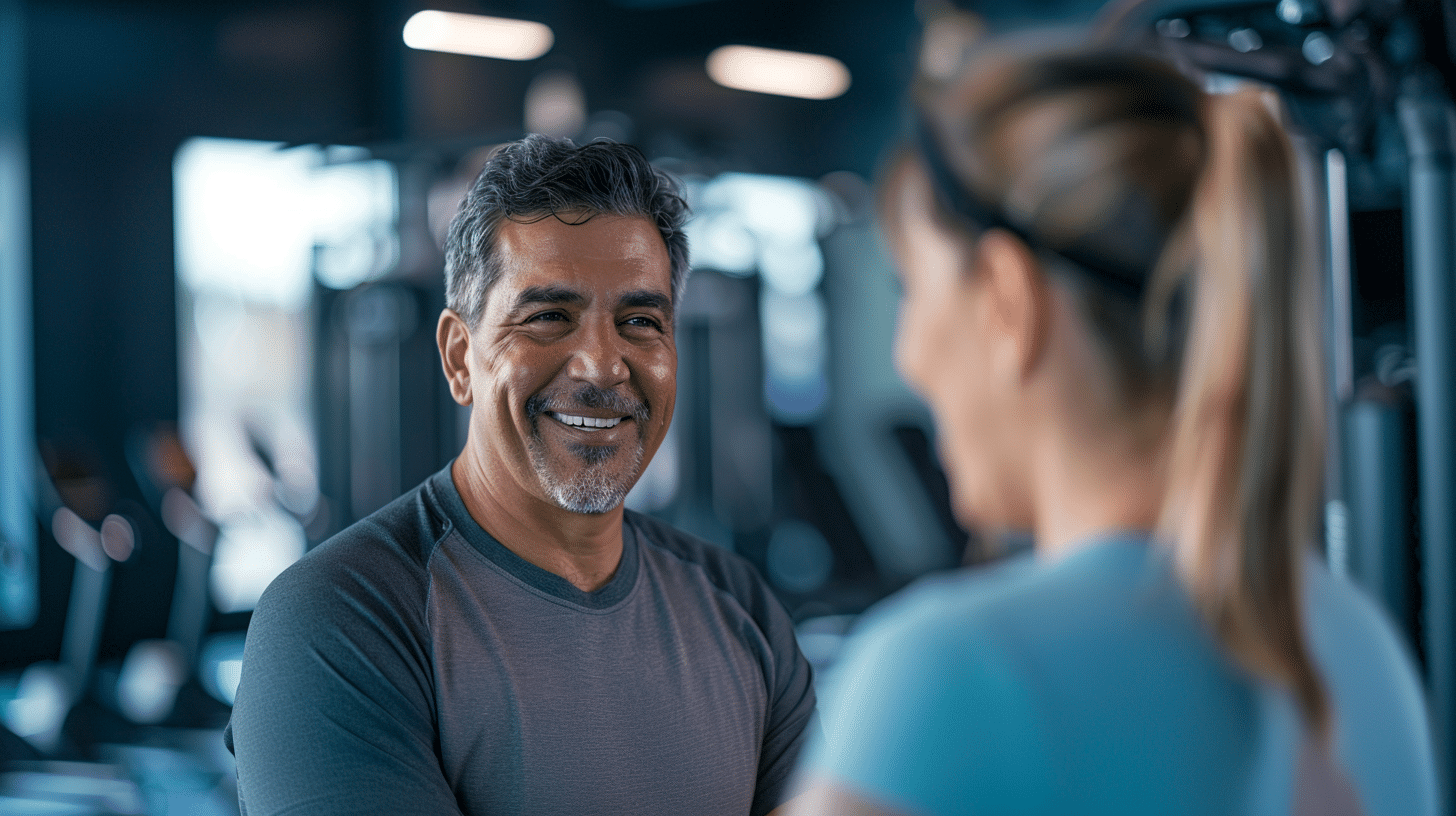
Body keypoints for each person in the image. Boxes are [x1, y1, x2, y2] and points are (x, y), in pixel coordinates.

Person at [788, 39, 1437, 816]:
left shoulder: (951, 674)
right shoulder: (1361, 656)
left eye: (915, 290)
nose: (910, 353)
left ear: (1006, 299)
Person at [227, 135, 816, 816]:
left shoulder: (739, 606)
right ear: (458, 357)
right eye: (547, 319)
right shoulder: (337, 622)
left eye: (640, 321)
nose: (602, 365)